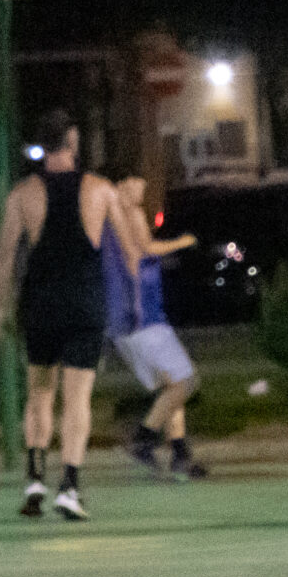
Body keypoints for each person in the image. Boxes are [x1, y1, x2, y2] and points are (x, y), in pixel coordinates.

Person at [0, 110, 144, 520]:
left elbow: (4, 258)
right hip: (84, 303)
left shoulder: (23, 194)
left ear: (42, 147)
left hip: (40, 303)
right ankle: (70, 487)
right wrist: (135, 302)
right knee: (77, 399)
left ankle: (35, 479)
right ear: (73, 143)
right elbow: (130, 253)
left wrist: (0, 309)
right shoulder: (100, 189)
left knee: (39, 392)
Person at [101, 174, 205, 480]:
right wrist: (183, 242)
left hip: (125, 322)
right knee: (186, 382)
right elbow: (146, 248)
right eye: (135, 185)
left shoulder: (104, 222)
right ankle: (143, 439)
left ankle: (180, 454)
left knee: (172, 386)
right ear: (120, 185)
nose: (141, 193)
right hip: (143, 318)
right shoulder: (129, 213)